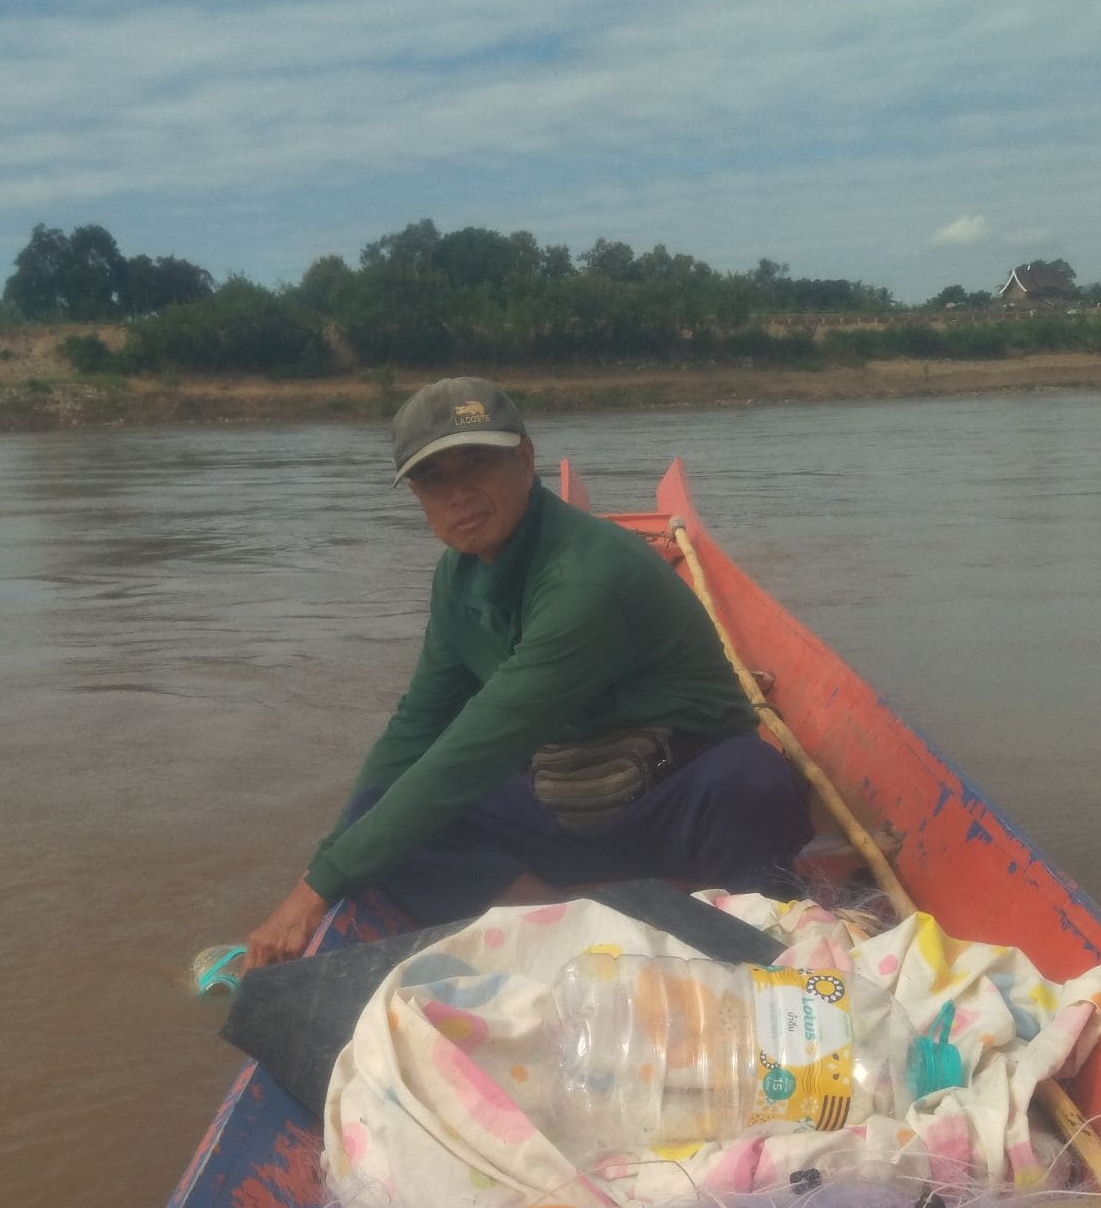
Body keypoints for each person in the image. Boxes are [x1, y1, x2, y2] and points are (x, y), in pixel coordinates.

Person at [243, 377, 812, 967]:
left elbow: (477, 748)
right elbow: (418, 728)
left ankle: (741, 936)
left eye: (477, 464)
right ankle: (567, 918)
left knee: (753, 779)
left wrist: (317, 891)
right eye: (433, 480)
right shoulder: (456, 578)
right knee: (376, 813)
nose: (457, 494)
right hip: (567, 800)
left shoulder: (587, 581)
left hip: (674, 803)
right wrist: (324, 872)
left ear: (525, 459)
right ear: (416, 494)